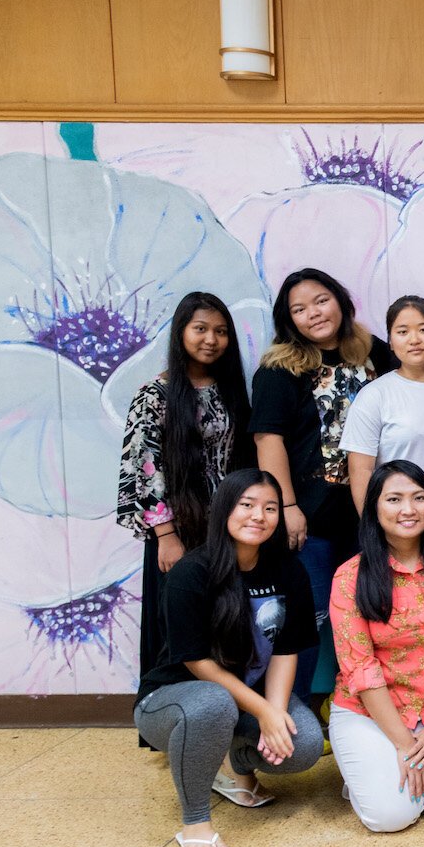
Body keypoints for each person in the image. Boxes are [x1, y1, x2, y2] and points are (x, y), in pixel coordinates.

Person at [133, 469, 325, 847]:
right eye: (247, 505)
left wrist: (274, 712)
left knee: (303, 744)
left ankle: (238, 763)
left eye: (270, 508)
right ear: (224, 510)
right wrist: (263, 712)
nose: (259, 516)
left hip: (242, 699)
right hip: (172, 697)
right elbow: (196, 662)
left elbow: (285, 650)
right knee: (213, 702)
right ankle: (196, 821)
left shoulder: (288, 570)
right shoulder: (193, 572)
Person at [250, 268, 396, 696]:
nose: (313, 313)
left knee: (368, 613)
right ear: (288, 320)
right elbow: (267, 439)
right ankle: (287, 714)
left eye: (320, 300)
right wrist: (287, 508)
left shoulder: (373, 355)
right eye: (299, 309)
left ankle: (366, 706)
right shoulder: (278, 370)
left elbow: (419, 369)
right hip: (309, 517)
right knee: (308, 615)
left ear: (341, 301)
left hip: (367, 516)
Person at [118, 292, 254, 741]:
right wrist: (166, 535)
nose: (211, 339)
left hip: (226, 530)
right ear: (181, 333)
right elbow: (145, 465)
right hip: (181, 532)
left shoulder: (231, 389)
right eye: (200, 329)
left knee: (222, 623)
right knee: (179, 631)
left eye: (220, 331)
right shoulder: (154, 393)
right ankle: (174, 727)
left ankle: (222, 722)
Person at [329, 460, 424, 833]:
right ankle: (365, 773)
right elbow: (361, 670)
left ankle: (412, 774)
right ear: (375, 508)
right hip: (370, 711)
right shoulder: (351, 575)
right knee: (392, 817)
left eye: (418, 498)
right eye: (394, 499)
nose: (408, 510)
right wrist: (404, 745)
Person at [343, 296, 424, 524]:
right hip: (402, 525)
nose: (414, 339)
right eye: (402, 332)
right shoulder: (374, 396)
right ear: (390, 341)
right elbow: (361, 472)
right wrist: (374, 531)